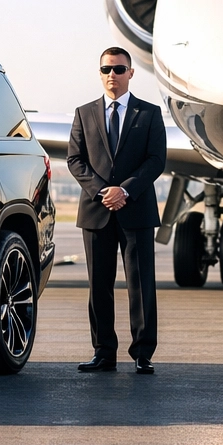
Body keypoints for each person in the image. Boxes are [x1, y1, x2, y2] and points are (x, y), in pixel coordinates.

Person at [66, 46, 167, 374]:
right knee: (99, 285)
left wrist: (125, 190)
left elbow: (156, 160)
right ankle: (103, 352)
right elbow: (75, 159)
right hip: (97, 213)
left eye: (119, 69)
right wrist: (102, 192)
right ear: (100, 73)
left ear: (131, 73)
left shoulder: (149, 114)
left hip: (135, 210)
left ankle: (142, 353)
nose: (113, 75)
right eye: (107, 69)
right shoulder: (84, 113)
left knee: (141, 285)